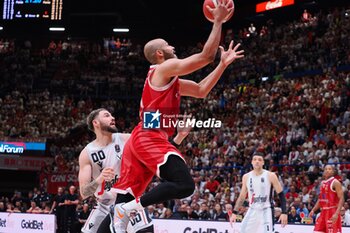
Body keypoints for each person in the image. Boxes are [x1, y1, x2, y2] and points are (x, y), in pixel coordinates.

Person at [97, 1, 244, 232]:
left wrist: (222, 65)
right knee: (184, 185)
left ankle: (121, 213)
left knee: (123, 199)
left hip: (142, 138)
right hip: (148, 136)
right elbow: (206, 56)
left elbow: (201, 89)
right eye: (167, 45)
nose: (172, 46)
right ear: (159, 53)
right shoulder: (161, 69)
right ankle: (129, 209)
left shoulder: (169, 79)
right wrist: (217, 21)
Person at [80, 108, 191, 233]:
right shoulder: (87, 153)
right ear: (96, 123)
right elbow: (84, 193)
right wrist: (100, 179)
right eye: (106, 115)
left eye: (111, 115)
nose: (112, 118)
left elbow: (159, 153)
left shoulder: (128, 139)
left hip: (128, 199)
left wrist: (179, 137)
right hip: (105, 205)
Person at [229, 152, 288, 233]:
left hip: (266, 210)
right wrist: (234, 212)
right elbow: (242, 196)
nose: (257, 161)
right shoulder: (246, 177)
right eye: (255, 159)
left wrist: (284, 212)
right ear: (252, 162)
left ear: (263, 162)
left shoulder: (271, 175)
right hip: (252, 209)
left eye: (259, 160)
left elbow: (281, 194)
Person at [309, 164, 344, 233]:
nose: (327, 170)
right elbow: (320, 199)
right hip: (323, 212)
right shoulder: (322, 183)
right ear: (323, 171)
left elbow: (341, 198)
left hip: (332, 211)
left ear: (333, 171)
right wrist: (313, 210)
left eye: (329, 169)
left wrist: (337, 213)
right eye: (326, 169)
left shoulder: (335, 182)